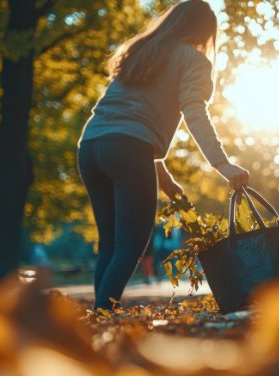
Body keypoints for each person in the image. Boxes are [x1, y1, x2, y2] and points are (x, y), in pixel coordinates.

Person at [77, 0, 249, 309]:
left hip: (91, 146)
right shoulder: (193, 59)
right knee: (128, 247)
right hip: (129, 148)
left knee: (110, 245)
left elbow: (129, 118)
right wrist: (222, 163)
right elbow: (193, 110)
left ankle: (97, 317)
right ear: (205, 32)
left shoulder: (142, 51)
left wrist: (165, 179)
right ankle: (100, 316)